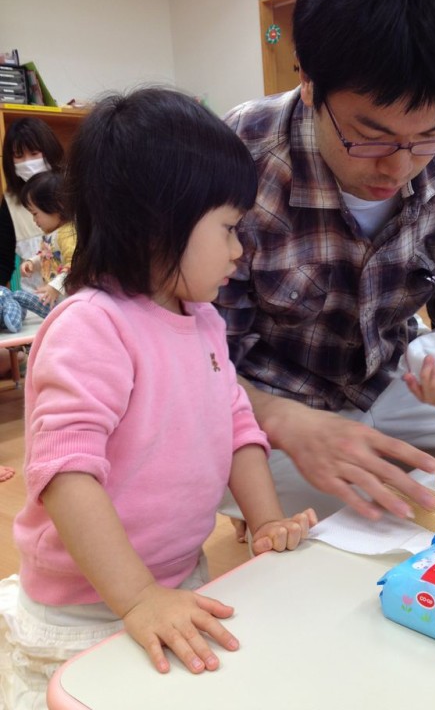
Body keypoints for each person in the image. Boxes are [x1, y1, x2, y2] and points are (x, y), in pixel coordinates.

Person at [0, 87, 316, 708]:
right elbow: (66, 474)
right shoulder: (93, 324)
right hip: (84, 607)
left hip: (173, 582)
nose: (238, 250)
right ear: (156, 225)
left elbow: (237, 427)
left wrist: (266, 520)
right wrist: (137, 597)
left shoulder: (201, 319)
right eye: (228, 228)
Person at [216, 0, 435, 525]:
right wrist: (284, 421)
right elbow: (194, 354)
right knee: (309, 554)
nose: (401, 166)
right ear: (308, 82)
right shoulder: (237, 156)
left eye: (430, 134)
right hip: (265, 403)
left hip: (394, 380)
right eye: (370, 135)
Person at [0, 118, 64, 378]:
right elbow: (3, 262)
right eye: (18, 156)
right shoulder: (11, 204)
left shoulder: (74, 191)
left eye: (34, 153)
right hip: (36, 307)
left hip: (74, 296)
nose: (27, 161)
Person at [12, 170, 76, 319]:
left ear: (58, 206)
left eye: (35, 214)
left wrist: (55, 286)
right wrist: (32, 262)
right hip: (59, 298)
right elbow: (47, 255)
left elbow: (74, 265)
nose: (34, 221)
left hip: (69, 299)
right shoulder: (53, 233)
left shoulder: (67, 234)